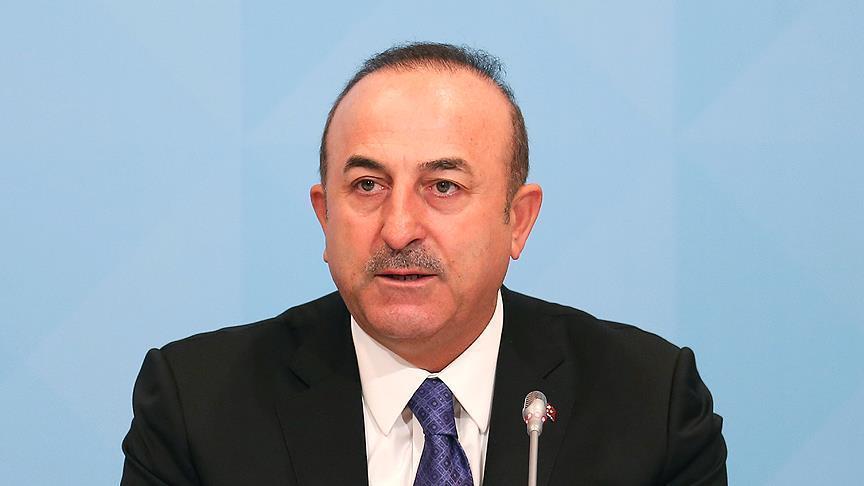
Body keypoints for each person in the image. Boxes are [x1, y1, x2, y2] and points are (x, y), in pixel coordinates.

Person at [121, 42, 727, 486]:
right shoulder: (197, 405)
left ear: (518, 220)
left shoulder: (649, 403)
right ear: (325, 216)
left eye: (443, 186)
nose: (399, 228)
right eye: (367, 185)